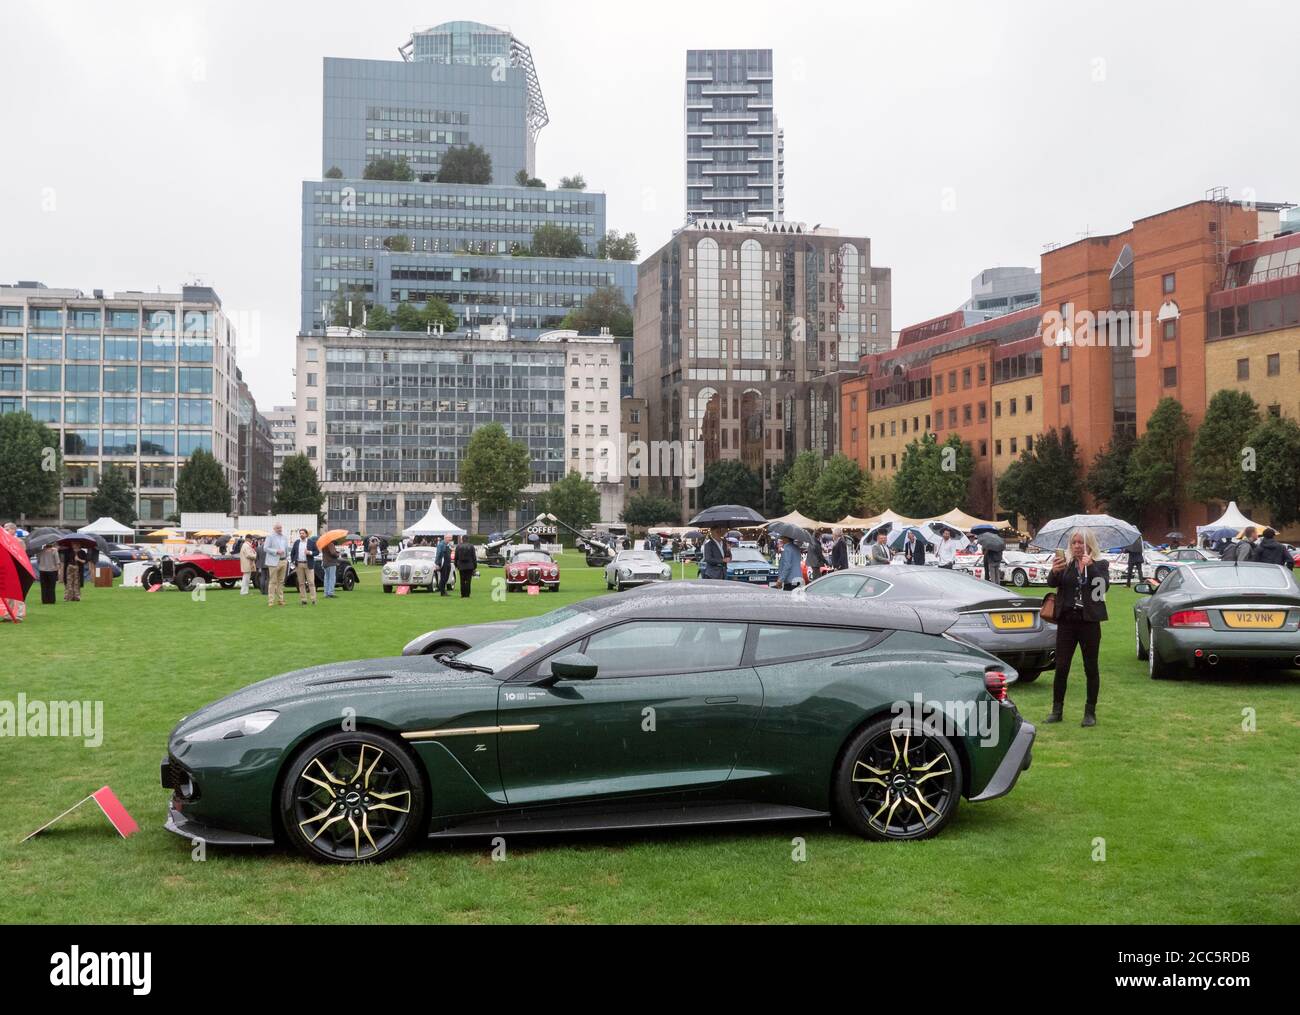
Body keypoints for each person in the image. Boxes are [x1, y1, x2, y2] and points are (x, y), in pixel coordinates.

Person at [1046, 529, 1109, 728]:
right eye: (1074, 542)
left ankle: (1090, 712)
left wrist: (1090, 569)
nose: (1077, 546)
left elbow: (1102, 589)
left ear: (1089, 544)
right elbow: (1052, 583)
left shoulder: (1100, 564)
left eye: (1081, 542)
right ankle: (1057, 710)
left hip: (1088, 622)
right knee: (1062, 666)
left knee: (1090, 667)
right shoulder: (1066, 563)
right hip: (1067, 621)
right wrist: (1054, 571)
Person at [289, 528, 318, 605]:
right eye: (300, 533)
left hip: (308, 564)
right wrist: (293, 561)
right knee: (301, 583)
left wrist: (310, 552)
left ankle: (313, 599)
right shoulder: (297, 542)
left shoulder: (311, 542)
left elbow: (317, 552)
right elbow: (292, 553)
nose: (301, 535)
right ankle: (303, 599)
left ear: (306, 534)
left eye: (303, 533)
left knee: (311, 582)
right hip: (299, 564)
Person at [263, 523, 289, 607]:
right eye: (278, 528)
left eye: (280, 527)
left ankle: (280, 600)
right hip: (274, 562)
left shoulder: (284, 537)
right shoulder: (270, 537)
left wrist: (286, 558)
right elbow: (265, 548)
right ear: (274, 529)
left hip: (283, 561)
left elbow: (286, 548)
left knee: (281, 582)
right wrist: (276, 551)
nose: (279, 529)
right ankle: (271, 601)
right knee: (273, 581)